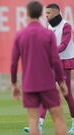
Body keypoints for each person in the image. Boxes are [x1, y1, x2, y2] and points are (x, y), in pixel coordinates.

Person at [11, 1, 68, 135]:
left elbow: (13, 62)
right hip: (48, 83)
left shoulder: (20, 35)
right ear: (41, 14)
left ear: (27, 14)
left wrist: (14, 83)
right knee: (58, 118)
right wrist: (61, 81)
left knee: (33, 120)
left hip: (29, 84)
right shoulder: (48, 34)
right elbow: (55, 60)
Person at [23, 3, 74, 134]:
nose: (46, 16)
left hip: (64, 63)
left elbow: (64, 44)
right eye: (45, 14)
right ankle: (39, 125)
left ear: (56, 13)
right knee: (45, 92)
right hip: (52, 63)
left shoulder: (66, 25)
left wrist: (50, 53)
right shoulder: (49, 26)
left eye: (48, 13)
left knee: (67, 95)